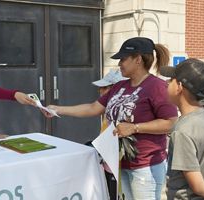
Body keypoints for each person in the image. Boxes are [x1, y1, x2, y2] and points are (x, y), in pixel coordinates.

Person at [42, 37, 178, 199]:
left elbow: (171, 123)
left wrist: (135, 127)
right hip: (120, 164)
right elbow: (94, 108)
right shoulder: (120, 86)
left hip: (145, 167)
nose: (119, 64)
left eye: (123, 59)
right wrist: (58, 109)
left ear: (138, 60)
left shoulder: (157, 87)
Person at [160, 58, 204, 199]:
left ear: (179, 87)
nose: (167, 83)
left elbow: (197, 186)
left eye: (171, 80)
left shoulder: (182, 130)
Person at [92, 68, 126, 200]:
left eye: (105, 88)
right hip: (108, 166)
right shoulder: (107, 109)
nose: (101, 91)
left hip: (118, 168)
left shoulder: (121, 111)